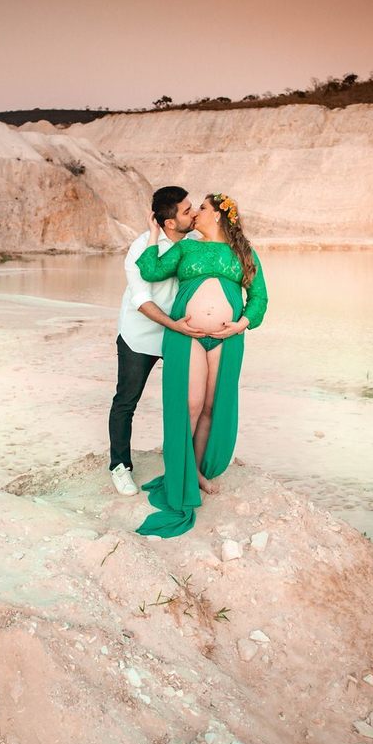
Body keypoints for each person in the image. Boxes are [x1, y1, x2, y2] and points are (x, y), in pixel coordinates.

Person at [133, 192, 268, 537]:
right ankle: (185, 476)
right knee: (190, 406)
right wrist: (152, 234)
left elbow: (259, 298)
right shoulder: (187, 248)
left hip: (227, 339)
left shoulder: (243, 253)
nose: (196, 214)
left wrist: (242, 323)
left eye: (203, 209)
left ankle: (197, 472)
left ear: (220, 215)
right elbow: (150, 270)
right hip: (187, 336)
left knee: (211, 406)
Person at [108, 186, 205, 496]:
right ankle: (120, 467)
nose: (194, 214)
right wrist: (173, 324)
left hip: (179, 334)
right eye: (187, 210)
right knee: (127, 400)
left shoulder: (193, 243)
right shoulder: (140, 248)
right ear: (170, 223)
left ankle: (184, 465)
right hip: (140, 335)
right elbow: (141, 300)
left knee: (188, 401)